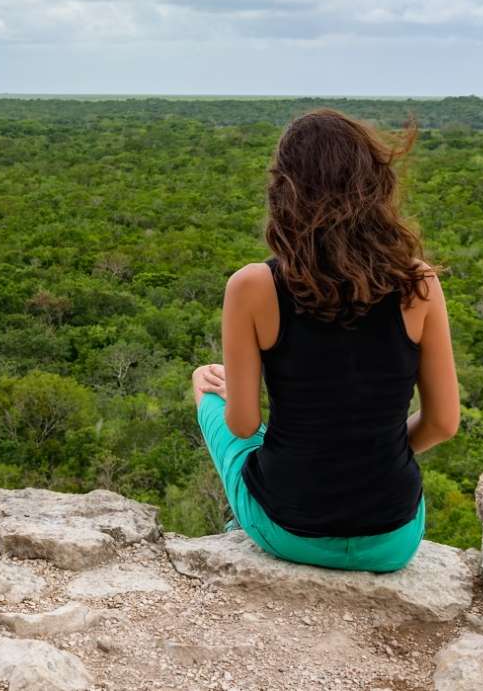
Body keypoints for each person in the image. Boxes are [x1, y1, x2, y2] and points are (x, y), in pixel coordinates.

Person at [190, 108, 460, 573]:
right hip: (393, 539)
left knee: (203, 380)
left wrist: (235, 394)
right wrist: (370, 448)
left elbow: (242, 423)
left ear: (285, 190)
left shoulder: (253, 286)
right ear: (375, 186)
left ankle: (242, 526)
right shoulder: (419, 283)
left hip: (289, 530)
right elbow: (442, 424)